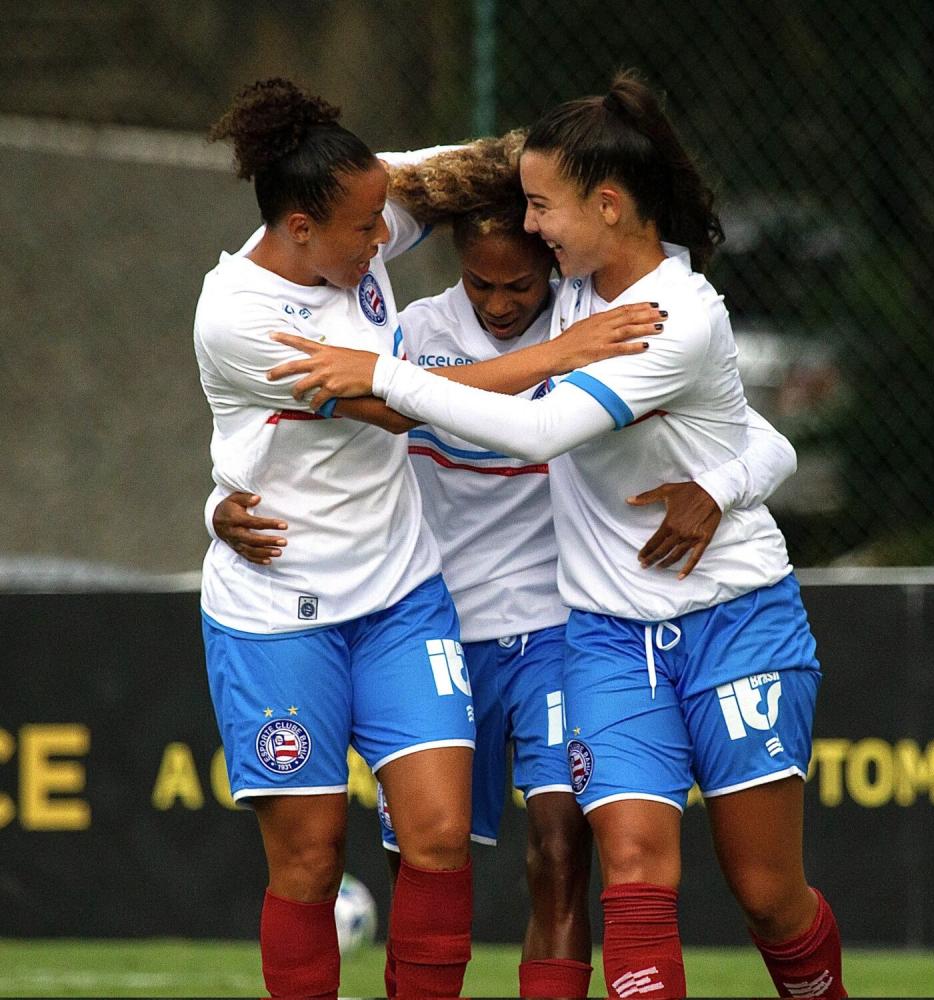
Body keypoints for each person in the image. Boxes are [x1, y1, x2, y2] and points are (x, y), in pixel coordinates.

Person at [263, 72, 847, 1000]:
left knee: (768, 896)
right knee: (631, 870)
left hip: (728, 613)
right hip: (604, 636)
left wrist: (721, 489)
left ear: (607, 206)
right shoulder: (570, 291)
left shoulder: (671, 316)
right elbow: (393, 185)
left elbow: (542, 431)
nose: (528, 229)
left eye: (542, 209)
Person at [194, 79, 665, 1000]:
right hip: (279, 612)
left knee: (442, 835)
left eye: (384, 220)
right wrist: (562, 354)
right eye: (365, 232)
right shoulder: (240, 318)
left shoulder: (352, 202)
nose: (384, 243)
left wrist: (601, 144)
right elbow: (409, 407)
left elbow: (476, 168)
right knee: (311, 859)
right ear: (298, 228)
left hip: (403, 597)